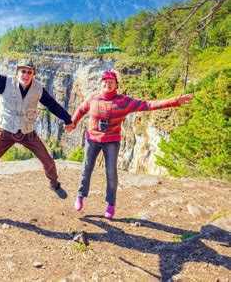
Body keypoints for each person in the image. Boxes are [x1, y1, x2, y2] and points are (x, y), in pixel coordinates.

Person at [70, 70, 193, 219]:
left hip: (112, 141)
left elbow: (148, 105)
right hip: (92, 139)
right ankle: (80, 196)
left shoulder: (124, 101)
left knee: (111, 172)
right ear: (101, 83)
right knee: (87, 167)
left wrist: (173, 101)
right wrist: (73, 122)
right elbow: (82, 109)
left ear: (116, 85)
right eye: (105, 81)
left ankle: (111, 204)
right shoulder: (93, 97)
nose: (107, 84)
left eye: (111, 82)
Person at [0, 55, 75, 203]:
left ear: (33, 74)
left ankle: (54, 185)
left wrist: (67, 119)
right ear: (17, 72)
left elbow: (52, 105)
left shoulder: (38, 89)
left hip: (27, 133)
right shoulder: (5, 82)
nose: (25, 75)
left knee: (48, 161)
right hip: (6, 131)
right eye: (23, 71)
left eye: (29, 72)